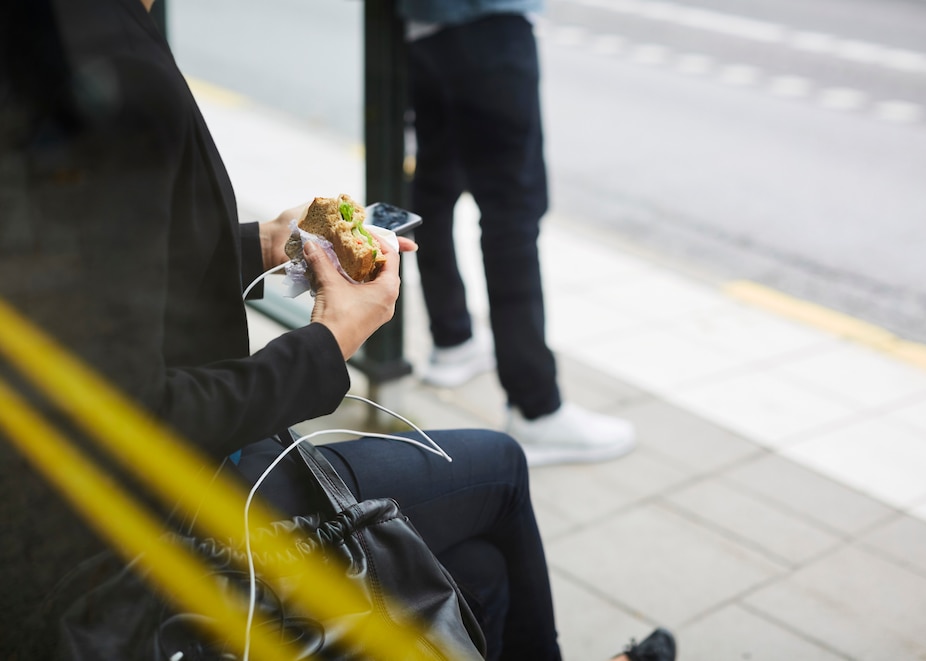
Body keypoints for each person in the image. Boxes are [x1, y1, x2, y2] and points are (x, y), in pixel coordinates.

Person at [0, 0, 674, 659]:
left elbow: (98, 284)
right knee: (499, 470)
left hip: (81, 510)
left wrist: (265, 242)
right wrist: (329, 343)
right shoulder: (104, 70)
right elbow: (129, 415)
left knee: (476, 571)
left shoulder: (67, 28)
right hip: (120, 542)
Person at [398, 0, 637, 467]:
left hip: (422, 27)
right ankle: (536, 408)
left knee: (435, 186)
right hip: (487, 21)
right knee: (513, 210)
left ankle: (452, 341)